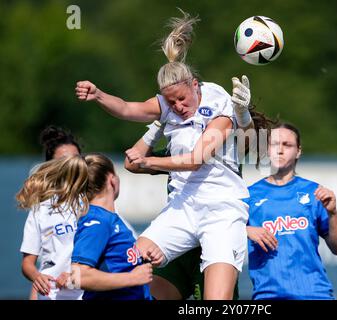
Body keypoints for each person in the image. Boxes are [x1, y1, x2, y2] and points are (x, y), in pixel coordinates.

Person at [75, 10, 253, 300]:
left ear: (196, 85)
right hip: (182, 207)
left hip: (222, 207)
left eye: (182, 99)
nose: (178, 106)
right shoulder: (167, 104)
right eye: (171, 102)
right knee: (130, 263)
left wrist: (148, 162)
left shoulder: (218, 97)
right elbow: (127, 109)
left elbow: (197, 159)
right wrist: (99, 95)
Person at [17, 154, 153, 300]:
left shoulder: (109, 219)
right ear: (112, 180)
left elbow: (100, 269)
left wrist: (142, 257)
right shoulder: (96, 222)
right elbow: (82, 275)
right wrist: (132, 278)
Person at [244, 123, 337, 300]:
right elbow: (220, 233)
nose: (280, 150)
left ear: (298, 151)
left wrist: (333, 213)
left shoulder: (315, 193)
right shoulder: (248, 196)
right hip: (267, 296)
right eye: (274, 144)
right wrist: (245, 230)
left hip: (315, 294)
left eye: (287, 145)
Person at [19, 125, 83, 300]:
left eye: (76, 159)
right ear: (51, 167)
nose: (71, 165)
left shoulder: (92, 202)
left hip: (88, 293)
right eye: (64, 160)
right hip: (53, 295)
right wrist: (37, 277)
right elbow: (28, 264)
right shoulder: (41, 209)